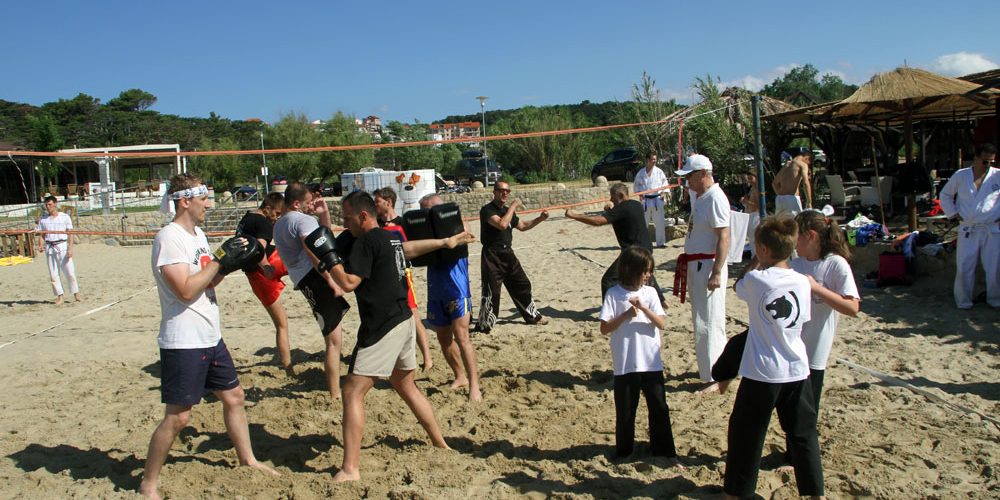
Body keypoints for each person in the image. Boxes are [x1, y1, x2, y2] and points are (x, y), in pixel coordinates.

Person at [140, 173, 278, 500]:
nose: (208, 204)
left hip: (210, 334)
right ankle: (148, 483)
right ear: (185, 200)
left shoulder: (199, 234)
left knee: (234, 398)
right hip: (183, 339)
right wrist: (219, 260)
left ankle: (248, 460)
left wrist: (229, 264)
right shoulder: (169, 237)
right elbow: (186, 289)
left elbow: (207, 281)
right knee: (179, 417)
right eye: (203, 198)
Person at [323, 190, 476, 482]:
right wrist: (445, 242)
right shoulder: (389, 235)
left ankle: (350, 469)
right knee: (406, 385)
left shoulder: (366, 241)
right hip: (405, 319)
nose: (346, 224)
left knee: (352, 392)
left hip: (383, 325)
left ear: (364, 216)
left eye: (348, 218)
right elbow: (409, 249)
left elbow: (348, 283)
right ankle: (440, 442)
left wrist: (329, 260)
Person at [724, 216, 823, 500]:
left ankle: (736, 493)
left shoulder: (757, 279)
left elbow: (739, 285)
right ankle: (816, 493)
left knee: (746, 435)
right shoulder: (803, 282)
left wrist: (756, 261)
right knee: (804, 435)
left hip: (763, 372)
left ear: (763, 250)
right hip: (797, 369)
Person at [599, 246, 680, 463]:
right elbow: (604, 328)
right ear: (630, 270)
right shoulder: (614, 294)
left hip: (651, 362)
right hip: (626, 363)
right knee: (626, 412)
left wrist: (644, 309)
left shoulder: (651, 293)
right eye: (645, 271)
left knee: (659, 409)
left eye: (649, 271)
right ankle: (624, 452)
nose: (648, 275)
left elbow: (662, 323)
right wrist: (626, 314)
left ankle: (664, 451)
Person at [272, 182, 349, 399]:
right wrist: (332, 281)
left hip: (303, 280)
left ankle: (337, 387)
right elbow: (315, 251)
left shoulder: (279, 224)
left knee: (332, 335)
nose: (310, 205)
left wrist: (323, 214)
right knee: (334, 341)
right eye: (306, 203)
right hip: (317, 278)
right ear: (296, 203)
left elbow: (324, 237)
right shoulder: (302, 220)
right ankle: (334, 393)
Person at [791, 210, 861, 412]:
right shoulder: (795, 264)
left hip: (814, 354)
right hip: (792, 350)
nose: (794, 242)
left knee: (806, 413)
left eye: (797, 236)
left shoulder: (835, 263)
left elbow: (852, 307)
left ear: (810, 236)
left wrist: (817, 288)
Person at [673, 154, 731, 385]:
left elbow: (724, 236)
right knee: (702, 319)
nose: (688, 181)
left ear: (704, 174)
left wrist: (716, 271)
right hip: (697, 263)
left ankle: (715, 374)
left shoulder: (715, 198)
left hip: (706, 264)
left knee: (710, 319)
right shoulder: (702, 196)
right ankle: (709, 370)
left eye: (691, 176)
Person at [418, 193, 481, 401]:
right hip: (436, 289)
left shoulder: (458, 222)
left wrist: (451, 238)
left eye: (427, 210)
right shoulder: (425, 232)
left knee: (462, 337)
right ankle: (459, 375)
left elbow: (470, 236)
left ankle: (474, 386)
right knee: (443, 337)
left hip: (457, 287)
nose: (424, 215)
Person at [565, 182, 666, 306]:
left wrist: (574, 216)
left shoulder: (622, 208)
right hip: (646, 248)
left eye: (613, 197)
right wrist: (611, 210)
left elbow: (598, 221)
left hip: (632, 253)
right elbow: (622, 219)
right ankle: (661, 300)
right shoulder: (636, 205)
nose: (611, 199)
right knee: (643, 272)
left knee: (608, 280)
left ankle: (610, 311)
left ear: (621, 195)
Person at [475, 181, 550, 333]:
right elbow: (502, 225)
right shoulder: (487, 210)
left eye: (507, 191)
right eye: (501, 190)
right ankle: (485, 324)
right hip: (492, 255)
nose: (505, 193)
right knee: (492, 291)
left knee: (522, 283)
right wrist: (514, 206)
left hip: (507, 253)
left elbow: (522, 226)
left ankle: (532, 316)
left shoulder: (507, 210)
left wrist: (540, 218)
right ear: (494, 192)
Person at [373, 187, 434, 370]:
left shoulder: (404, 222)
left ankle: (427, 357)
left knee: (414, 317)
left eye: (377, 201)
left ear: (388, 202)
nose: (374, 204)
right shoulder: (375, 224)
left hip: (402, 274)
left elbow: (415, 248)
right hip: (381, 277)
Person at [236, 192, 294, 375]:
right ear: (267, 208)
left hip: (255, 271)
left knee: (281, 324)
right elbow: (258, 248)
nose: (276, 218)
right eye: (276, 214)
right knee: (282, 324)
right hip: (264, 269)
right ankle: (287, 367)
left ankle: (286, 365)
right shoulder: (263, 223)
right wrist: (266, 266)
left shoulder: (246, 219)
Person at [939, 142, 999, 309]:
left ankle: (995, 299)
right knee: (965, 266)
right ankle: (963, 301)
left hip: (991, 228)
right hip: (968, 227)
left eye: (992, 162)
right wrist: (953, 213)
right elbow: (945, 194)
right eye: (985, 161)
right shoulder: (961, 175)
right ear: (976, 158)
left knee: (994, 267)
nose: (989, 165)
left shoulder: (998, 176)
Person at [35, 195, 81, 304]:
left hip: (62, 246)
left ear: (55, 204)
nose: (48, 206)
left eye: (50, 204)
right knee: (53, 274)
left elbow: (70, 234)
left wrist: (70, 249)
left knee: (69, 272)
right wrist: (40, 245)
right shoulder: (43, 219)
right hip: (50, 247)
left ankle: (76, 294)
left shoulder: (64, 217)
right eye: (46, 205)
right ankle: (60, 296)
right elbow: (42, 235)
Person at [633, 151, 670, 248]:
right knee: (643, 223)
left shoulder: (659, 172)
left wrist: (663, 192)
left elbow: (665, 184)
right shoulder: (641, 173)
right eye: (653, 159)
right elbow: (636, 185)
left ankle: (661, 243)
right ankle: (641, 243)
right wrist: (639, 194)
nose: (655, 161)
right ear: (647, 160)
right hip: (645, 200)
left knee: (660, 222)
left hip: (657, 199)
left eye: (655, 159)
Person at [772, 147, 813, 215]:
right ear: (807, 158)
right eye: (809, 163)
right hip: (791, 198)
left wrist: (781, 195)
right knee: (796, 223)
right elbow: (806, 183)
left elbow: (774, 183)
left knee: (780, 223)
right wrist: (809, 202)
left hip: (780, 198)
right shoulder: (802, 164)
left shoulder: (787, 164)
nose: (808, 165)